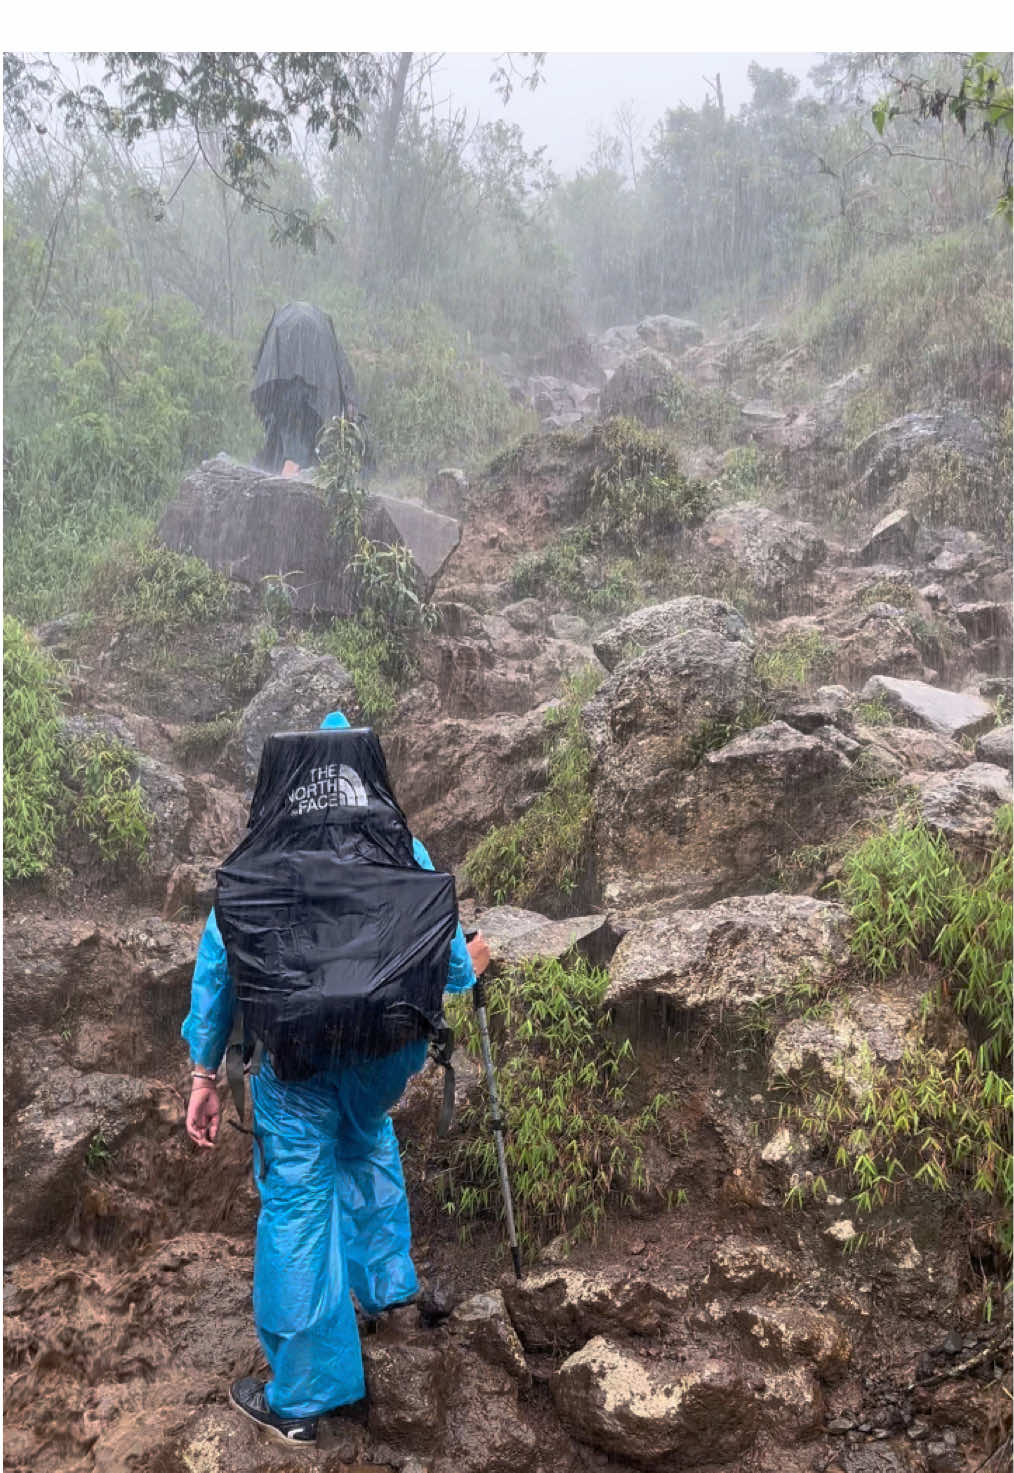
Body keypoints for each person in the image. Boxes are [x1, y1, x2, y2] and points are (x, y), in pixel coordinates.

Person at [182, 709, 490, 1448]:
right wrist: (476, 957)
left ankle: (301, 1397)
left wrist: (205, 1071)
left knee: (296, 1199)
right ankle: (389, 1289)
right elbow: (449, 965)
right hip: (383, 1058)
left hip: (297, 1061)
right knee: (365, 1138)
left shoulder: (260, 854)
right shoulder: (398, 844)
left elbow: (221, 965)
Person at [251, 302, 362, 474]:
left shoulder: (281, 327)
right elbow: (342, 368)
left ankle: (283, 478)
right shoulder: (322, 331)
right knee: (298, 450)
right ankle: (288, 478)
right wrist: (349, 400)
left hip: (289, 396)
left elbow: (261, 365)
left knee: (290, 447)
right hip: (310, 399)